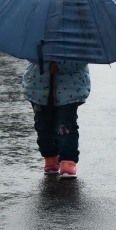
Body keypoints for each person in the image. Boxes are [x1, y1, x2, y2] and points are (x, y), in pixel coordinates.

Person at [22, 44, 90, 179]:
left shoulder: (76, 37)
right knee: (42, 125)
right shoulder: (37, 34)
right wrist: (46, 61)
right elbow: (28, 54)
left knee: (66, 126)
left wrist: (61, 65)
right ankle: (50, 156)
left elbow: (82, 58)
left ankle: (68, 160)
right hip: (39, 86)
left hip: (70, 87)